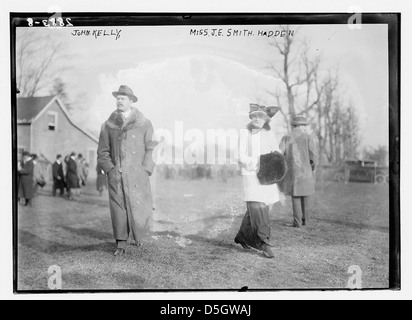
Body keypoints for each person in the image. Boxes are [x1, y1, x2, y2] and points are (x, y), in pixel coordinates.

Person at [97, 85, 157, 256]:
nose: (119, 101)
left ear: (131, 101)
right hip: (117, 175)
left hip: (138, 175)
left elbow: (151, 147)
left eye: (123, 98)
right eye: (117, 98)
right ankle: (121, 243)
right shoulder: (108, 125)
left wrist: (146, 168)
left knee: (138, 205)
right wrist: (110, 170)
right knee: (118, 207)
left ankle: (138, 236)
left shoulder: (144, 123)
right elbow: (102, 151)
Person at [234, 103, 284, 258]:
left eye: (260, 116)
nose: (257, 119)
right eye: (254, 116)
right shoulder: (245, 133)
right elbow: (239, 155)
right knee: (258, 206)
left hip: (267, 175)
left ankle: (243, 235)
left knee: (260, 207)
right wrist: (256, 162)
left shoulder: (269, 134)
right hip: (251, 175)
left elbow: (277, 151)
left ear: (266, 120)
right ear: (251, 117)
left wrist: (275, 161)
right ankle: (263, 241)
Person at [279, 115, 318, 228]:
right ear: (300, 125)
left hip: (292, 173)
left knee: (295, 196)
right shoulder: (308, 137)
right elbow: (314, 155)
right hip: (305, 172)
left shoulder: (286, 137)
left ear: (293, 125)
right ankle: (307, 222)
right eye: (304, 125)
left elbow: (280, 153)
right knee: (306, 196)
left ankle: (297, 223)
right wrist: (312, 167)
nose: (305, 127)